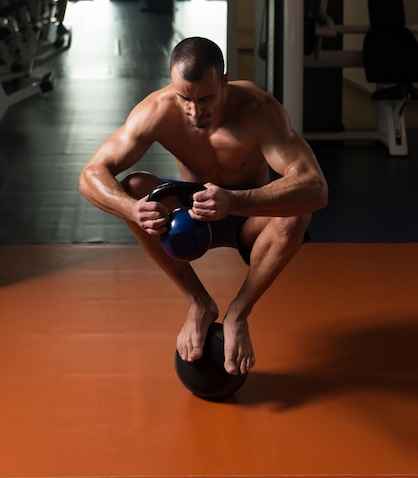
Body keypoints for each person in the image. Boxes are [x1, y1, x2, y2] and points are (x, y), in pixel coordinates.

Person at [79, 36, 328, 376]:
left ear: (224, 81)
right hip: (193, 218)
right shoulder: (156, 111)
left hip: (247, 216)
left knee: (297, 212)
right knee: (135, 188)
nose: (196, 110)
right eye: (185, 98)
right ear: (172, 85)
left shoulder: (257, 110)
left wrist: (235, 201)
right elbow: (91, 174)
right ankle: (199, 302)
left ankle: (239, 312)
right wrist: (131, 209)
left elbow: (315, 188)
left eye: (207, 98)